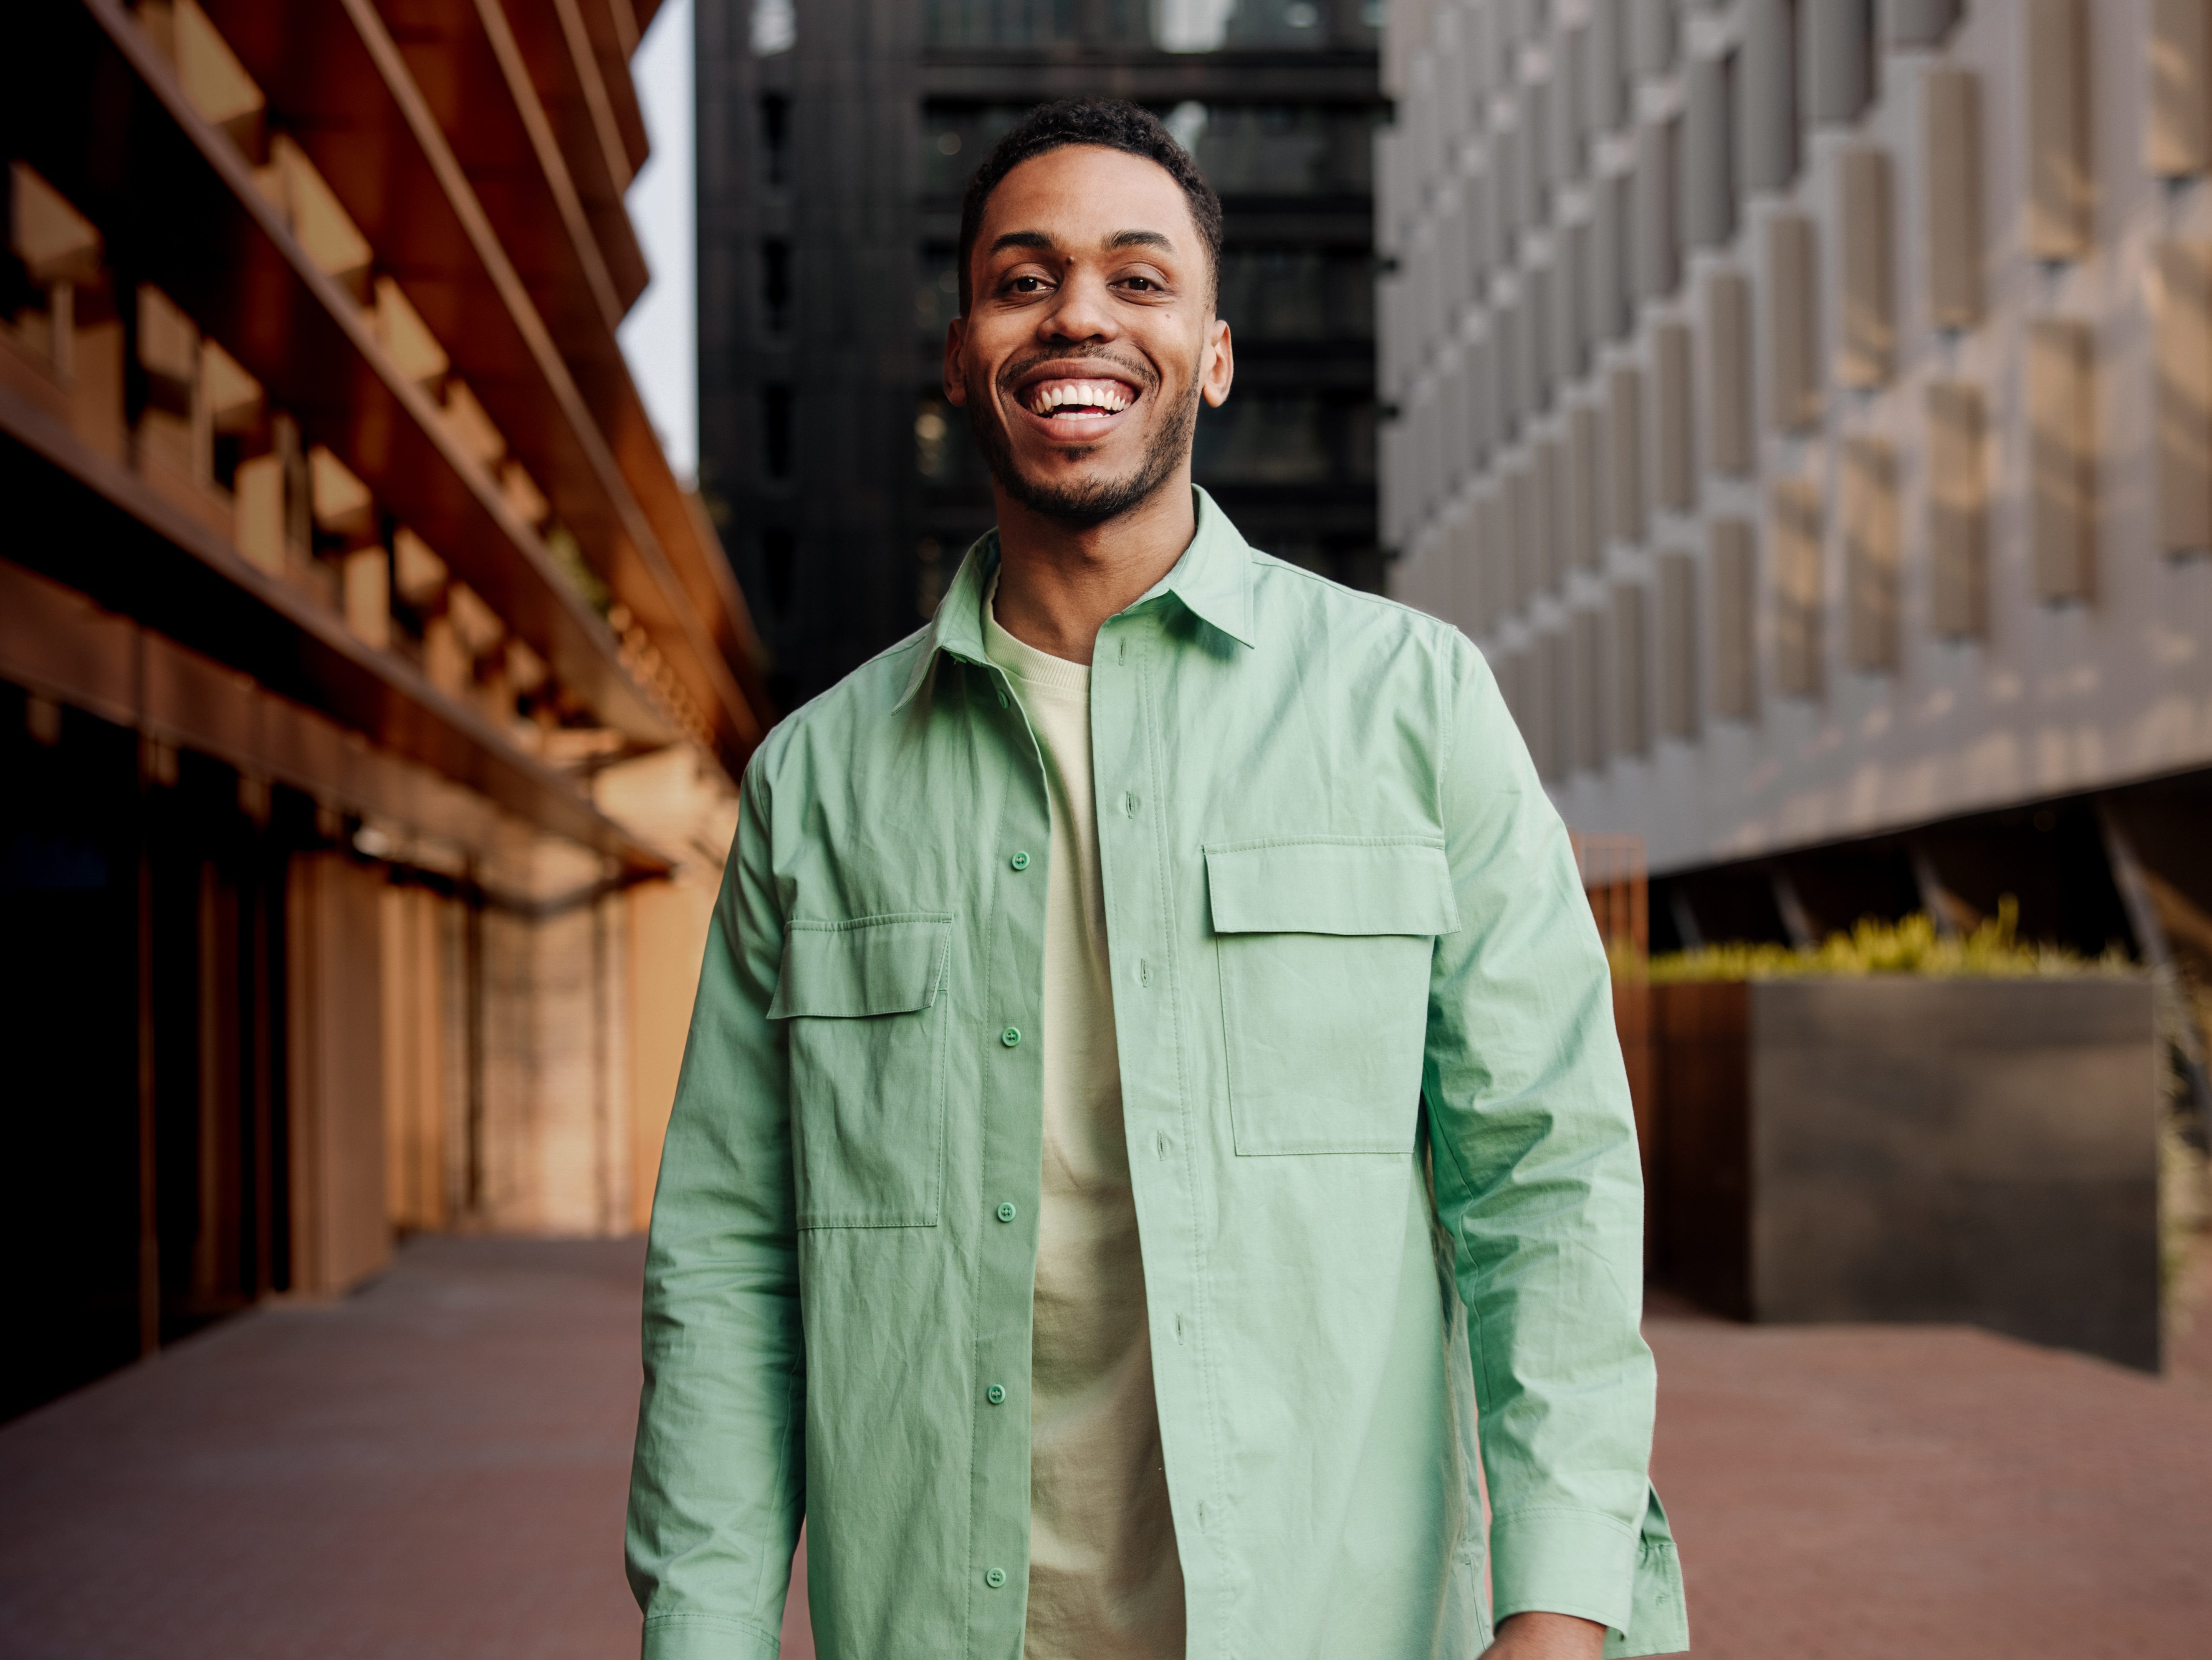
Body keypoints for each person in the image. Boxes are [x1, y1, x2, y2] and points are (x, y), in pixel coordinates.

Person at [625, 97, 1687, 1660]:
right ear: (959, 350)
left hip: (1334, 1619)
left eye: (1139, 278)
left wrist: (1560, 1611)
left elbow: (1544, 1182)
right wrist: (700, 1635)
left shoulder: (1412, 703)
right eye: (1022, 277)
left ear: (1212, 353)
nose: (1079, 316)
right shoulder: (815, 780)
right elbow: (729, 1257)